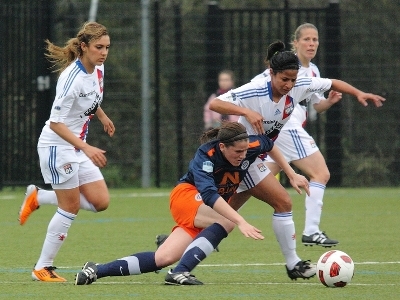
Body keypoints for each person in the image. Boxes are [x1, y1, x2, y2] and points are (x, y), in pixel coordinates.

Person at [208, 40, 385, 279]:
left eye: (293, 80)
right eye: (284, 80)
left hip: (258, 156)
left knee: (229, 210)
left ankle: (183, 238)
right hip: (242, 157)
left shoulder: (300, 85)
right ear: (272, 73)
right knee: (278, 203)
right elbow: (216, 103)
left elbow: (334, 83)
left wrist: (359, 93)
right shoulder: (256, 88)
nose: (289, 85)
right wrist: (246, 112)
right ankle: (294, 264)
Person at [74, 122, 310, 286]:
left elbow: (268, 144)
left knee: (163, 257)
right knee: (226, 221)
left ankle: (96, 269)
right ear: (222, 147)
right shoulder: (205, 156)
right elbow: (208, 195)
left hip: (202, 210)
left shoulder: (248, 146)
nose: (242, 155)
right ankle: (180, 272)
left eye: (245, 150)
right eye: (237, 152)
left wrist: (291, 173)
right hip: (187, 197)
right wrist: (240, 222)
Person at [19, 21, 114, 282]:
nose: (104, 52)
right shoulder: (70, 79)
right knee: (69, 207)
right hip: (57, 146)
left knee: (101, 202)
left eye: (107, 47)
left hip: (76, 146)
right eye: (98, 47)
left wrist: (103, 116)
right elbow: (56, 123)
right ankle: (42, 268)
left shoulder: (98, 68)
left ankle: (39, 196)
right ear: (83, 47)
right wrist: (86, 147)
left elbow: (91, 99)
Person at [253, 23, 343, 247]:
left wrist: (328, 102)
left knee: (249, 181)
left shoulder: (313, 71)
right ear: (296, 42)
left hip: (281, 136)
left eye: (315, 39)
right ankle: (311, 231)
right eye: (306, 39)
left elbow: (315, 107)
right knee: (320, 173)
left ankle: (198, 229)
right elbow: (261, 84)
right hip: (285, 127)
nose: (311, 44)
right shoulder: (285, 64)